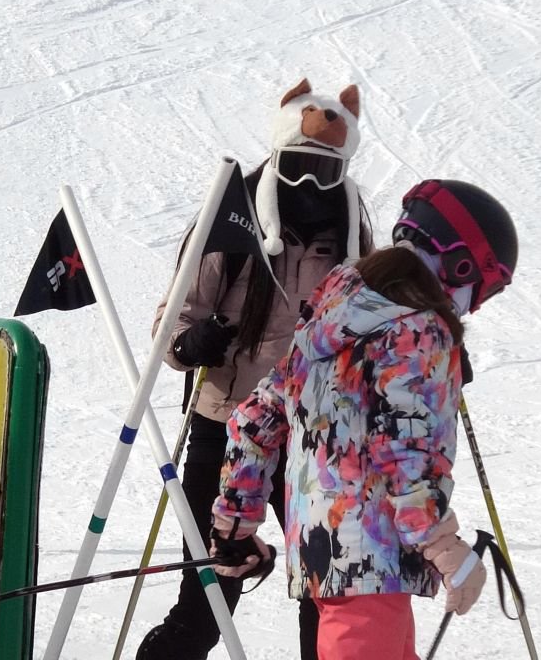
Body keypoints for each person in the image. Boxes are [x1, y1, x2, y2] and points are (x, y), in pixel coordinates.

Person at [208, 179, 517, 660]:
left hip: (326, 556)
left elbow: (255, 418)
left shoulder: (329, 317)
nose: (473, 305)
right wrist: (443, 545)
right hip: (374, 559)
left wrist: (234, 525)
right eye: (483, 287)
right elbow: (404, 448)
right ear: (460, 264)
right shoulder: (419, 328)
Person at [138, 77, 373, 660]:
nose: (309, 187)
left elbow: (378, 319)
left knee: (324, 601)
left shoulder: (350, 233)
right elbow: (172, 321)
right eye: (296, 167)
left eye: (324, 173)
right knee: (208, 607)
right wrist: (191, 343)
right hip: (227, 428)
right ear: (276, 153)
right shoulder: (233, 219)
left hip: (315, 442)